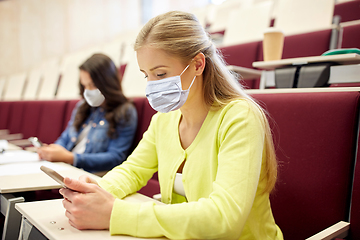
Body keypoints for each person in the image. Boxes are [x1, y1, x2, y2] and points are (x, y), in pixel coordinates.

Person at [59, 11, 283, 239]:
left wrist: (115, 213)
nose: (152, 86)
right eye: (147, 76)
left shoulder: (240, 117)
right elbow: (133, 171)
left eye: (161, 73)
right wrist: (96, 191)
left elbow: (224, 218)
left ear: (197, 64)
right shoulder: (164, 120)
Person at [37, 53, 137, 173]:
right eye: (85, 86)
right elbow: (66, 137)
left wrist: (70, 158)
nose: (88, 91)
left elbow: (115, 157)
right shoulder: (82, 107)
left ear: (108, 83)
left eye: (93, 85)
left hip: (91, 175)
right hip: (67, 169)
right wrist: (54, 150)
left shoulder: (125, 112)